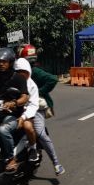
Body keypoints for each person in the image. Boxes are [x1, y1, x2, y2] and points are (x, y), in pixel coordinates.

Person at [17, 44, 65, 175]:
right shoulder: (15, 73)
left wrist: (38, 92)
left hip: (35, 106)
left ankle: (56, 163)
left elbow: (53, 79)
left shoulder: (35, 72)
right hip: (20, 105)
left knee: (40, 133)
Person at [13, 58, 40, 163]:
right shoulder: (12, 82)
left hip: (26, 112)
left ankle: (33, 148)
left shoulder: (32, 86)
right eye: (18, 72)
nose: (22, 75)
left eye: (24, 72)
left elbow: (33, 105)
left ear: (29, 72)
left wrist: (23, 116)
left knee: (28, 127)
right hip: (12, 111)